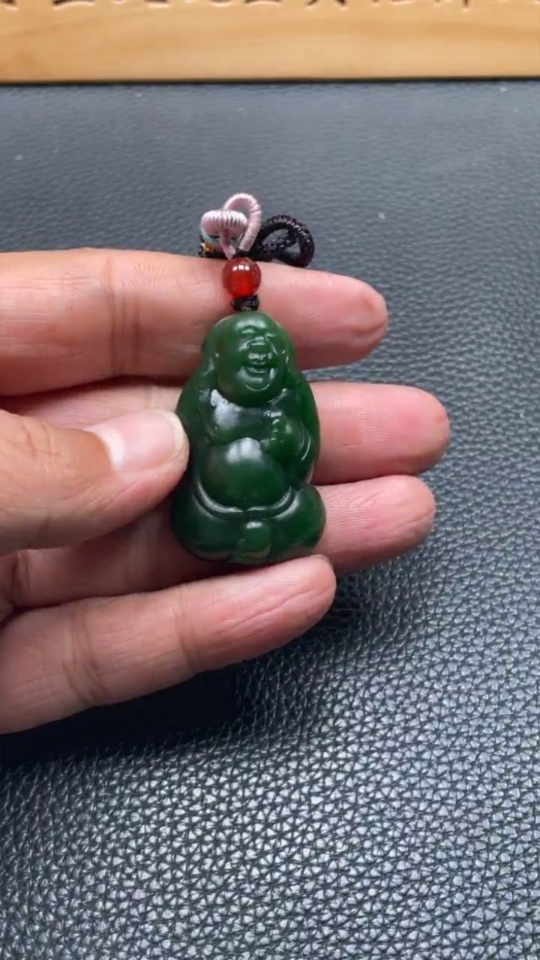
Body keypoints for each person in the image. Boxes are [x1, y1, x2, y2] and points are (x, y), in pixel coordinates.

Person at [0, 249, 449, 733]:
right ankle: (233, 534)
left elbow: (307, 452)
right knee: (193, 523)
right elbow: (188, 449)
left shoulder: (292, 396)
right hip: (210, 506)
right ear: (217, 360)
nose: (260, 356)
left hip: (281, 503)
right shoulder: (203, 397)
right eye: (247, 349)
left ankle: (261, 532)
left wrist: (291, 441)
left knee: (308, 514)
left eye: (271, 350)